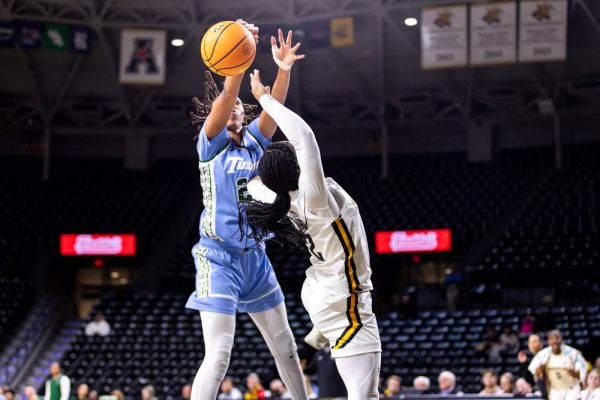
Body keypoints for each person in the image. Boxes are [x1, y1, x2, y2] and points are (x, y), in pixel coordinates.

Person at [241, 70, 381, 400]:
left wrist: (245, 157)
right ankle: (325, 331)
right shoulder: (313, 197)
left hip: (320, 289)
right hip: (344, 306)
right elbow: (304, 135)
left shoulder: (280, 200)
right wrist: (264, 98)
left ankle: (319, 332)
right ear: (297, 166)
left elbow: (251, 187)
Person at [186, 20, 308, 400]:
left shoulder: (255, 142)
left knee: (286, 345)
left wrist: (283, 67)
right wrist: (236, 64)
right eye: (229, 106)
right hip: (218, 257)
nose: (235, 106)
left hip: (255, 257)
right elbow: (226, 94)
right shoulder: (210, 146)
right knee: (220, 354)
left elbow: (277, 107)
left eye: (241, 105)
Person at [529, 330, 587, 400]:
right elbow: (534, 372)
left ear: (561, 339)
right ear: (548, 341)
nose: (554, 341)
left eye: (557, 338)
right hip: (555, 390)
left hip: (572, 389)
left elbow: (584, 370)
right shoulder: (543, 354)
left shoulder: (572, 352)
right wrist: (539, 372)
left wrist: (576, 374)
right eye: (551, 338)